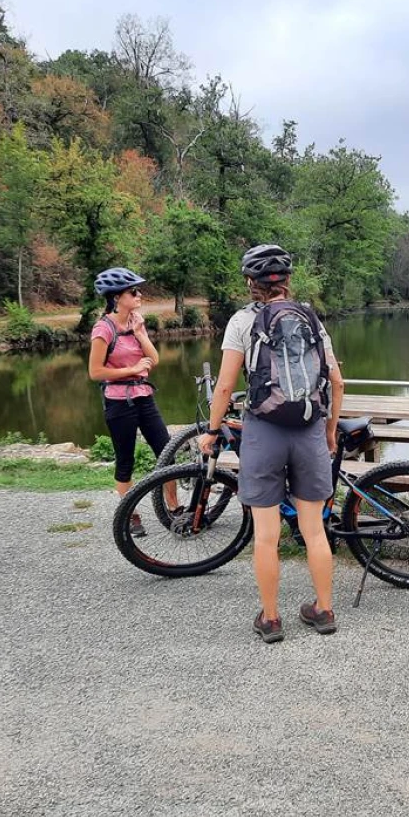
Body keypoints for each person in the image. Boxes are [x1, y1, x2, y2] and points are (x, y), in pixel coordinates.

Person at [198, 244, 345, 644]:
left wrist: (212, 431)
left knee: (266, 536)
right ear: (287, 281)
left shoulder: (242, 322)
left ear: (251, 282)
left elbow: (226, 385)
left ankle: (272, 618)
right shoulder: (311, 318)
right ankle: (324, 611)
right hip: (310, 427)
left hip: (263, 430)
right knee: (314, 530)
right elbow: (336, 382)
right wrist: (330, 431)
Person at [87, 267, 177, 536]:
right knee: (125, 461)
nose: (139, 295)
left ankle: (174, 509)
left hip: (144, 397)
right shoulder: (103, 329)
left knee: (167, 452)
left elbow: (155, 360)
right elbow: (95, 372)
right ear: (116, 298)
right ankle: (131, 515)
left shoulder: (136, 322)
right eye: (133, 292)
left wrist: (140, 333)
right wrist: (132, 369)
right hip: (118, 402)